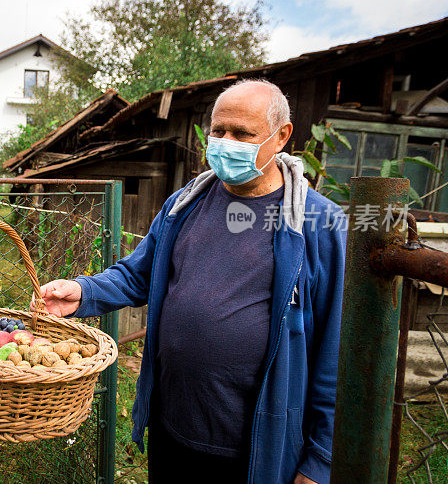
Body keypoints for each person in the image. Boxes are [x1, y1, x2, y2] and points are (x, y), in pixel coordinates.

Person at [39, 80, 346, 484]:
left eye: (242, 134)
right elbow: (137, 274)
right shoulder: (185, 204)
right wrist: (83, 291)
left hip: (255, 450)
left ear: (281, 136)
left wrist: (320, 459)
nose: (225, 142)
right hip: (173, 431)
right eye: (219, 131)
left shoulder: (317, 223)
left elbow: (336, 348)